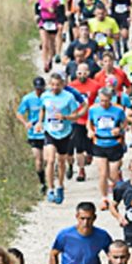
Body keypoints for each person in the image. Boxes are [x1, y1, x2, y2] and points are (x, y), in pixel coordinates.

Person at [40, 71, 83, 204]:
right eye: (52, 84)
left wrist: (65, 117)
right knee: (50, 160)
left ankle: (60, 185)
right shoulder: (45, 96)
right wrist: (39, 122)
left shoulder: (69, 97)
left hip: (64, 132)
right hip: (50, 131)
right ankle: (50, 189)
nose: (55, 87)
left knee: (61, 161)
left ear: (63, 84)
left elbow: (76, 116)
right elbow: (43, 109)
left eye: (57, 85)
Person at [17, 76, 48, 195]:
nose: (39, 91)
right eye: (37, 88)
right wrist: (25, 123)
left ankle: (50, 177)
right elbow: (19, 113)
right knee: (38, 160)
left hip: (47, 131)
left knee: (47, 159)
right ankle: (42, 182)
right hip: (34, 133)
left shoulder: (49, 97)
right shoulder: (28, 98)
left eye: (41, 88)